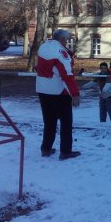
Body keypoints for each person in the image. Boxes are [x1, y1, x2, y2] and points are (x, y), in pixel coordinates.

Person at [36, 29, 81, 160]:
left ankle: (46, 148)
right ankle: (66, 152)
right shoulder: (61, 52)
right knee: (66, 122)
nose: (67, 42)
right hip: (59, 91)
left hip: (42, 89)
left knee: (49, 121)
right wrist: (75, 94)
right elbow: (67, 75)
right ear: (62, 39)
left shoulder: (44, 46)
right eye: (67, 39)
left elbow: (41, 65)